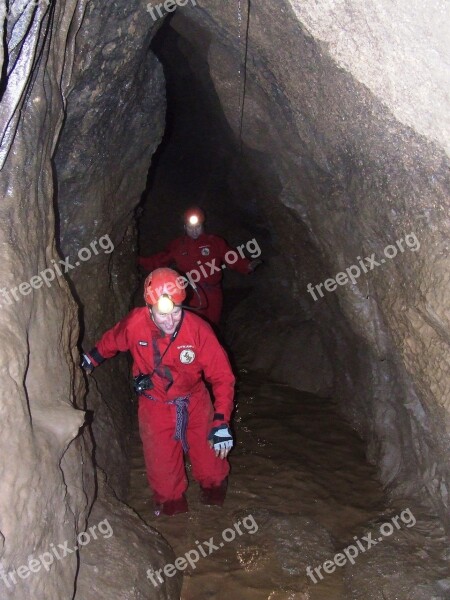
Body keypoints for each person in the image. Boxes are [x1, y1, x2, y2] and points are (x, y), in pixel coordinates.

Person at [81, 268, 235, 516]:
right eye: (163, 314)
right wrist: (90, 360)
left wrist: (221, 421)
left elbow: (223, 377)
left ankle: (215, 508)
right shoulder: (135, 323)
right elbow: (112, 341)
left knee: (212, 469)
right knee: (166, 490)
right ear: (149, 306)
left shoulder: (198, 330)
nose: (171, 321)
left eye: (176, 312)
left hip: (195, 401)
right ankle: (176, 521)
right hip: (155, 405)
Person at [138, 207, 261, 325]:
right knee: (194, 324)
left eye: (198, 227)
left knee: (213, 324)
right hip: (191, 292)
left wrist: (247, 265)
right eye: (191, 227)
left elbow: (231, 256)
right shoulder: (178, 245)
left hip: (213, 292)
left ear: (203, 226)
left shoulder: (214, 242)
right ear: (185, 227)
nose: (194, 230)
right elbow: (161, 259)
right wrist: (140, 261)